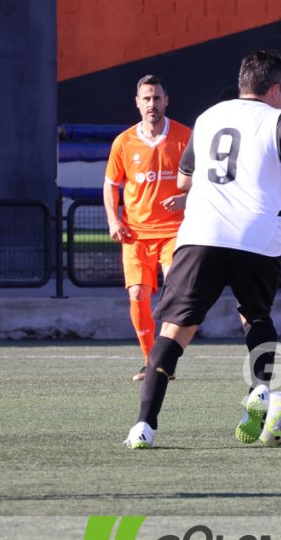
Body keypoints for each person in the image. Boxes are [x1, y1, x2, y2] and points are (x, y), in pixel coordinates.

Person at [123, 49, 281, 449]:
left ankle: (144, 427)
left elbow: (185, 182)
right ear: (275, 89)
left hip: (202, 234)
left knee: (174, 331)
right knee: (255, 316)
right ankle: (259, 389)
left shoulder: (207, 118)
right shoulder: (278, 119)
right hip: (256, 236)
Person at [103, 75, 191, 381]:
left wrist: (184, 199)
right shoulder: (124, 142)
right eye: (146, 98)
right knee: (138, 293)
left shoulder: (184, 137)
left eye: (157, 98)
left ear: (167, 100)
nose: (152, 104)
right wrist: (113, 220)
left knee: (175, 291)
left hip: (174, 231)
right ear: (137, 103)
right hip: (135, 233)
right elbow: (110, 185)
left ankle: (167, 358)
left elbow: (205, 180)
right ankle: (150, 361)